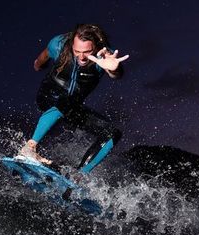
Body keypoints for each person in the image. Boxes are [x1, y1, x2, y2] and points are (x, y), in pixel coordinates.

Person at [18, 23, 129, 173]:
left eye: (87, 52)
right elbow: (42, 58)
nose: (81, 57)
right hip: (48, 97)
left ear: (95, 46)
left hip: (71, 106)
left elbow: (116, 74)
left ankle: (79, 176)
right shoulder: (58, 44)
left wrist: (113, 70)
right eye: (77, 51)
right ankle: (29, 149)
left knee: (112, 133)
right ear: (72, 44)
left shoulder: (103, 56)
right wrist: (38, 65)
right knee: (65, 100)